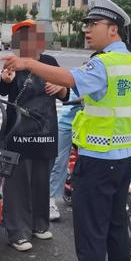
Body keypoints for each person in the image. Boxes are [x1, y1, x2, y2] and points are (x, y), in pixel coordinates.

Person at [2, 0, 131, 261]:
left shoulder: (103, 63)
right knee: (115, 227)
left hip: (97, 158)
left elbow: (70, 80)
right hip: (124, 156)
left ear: (113, 29)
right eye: (86, 25)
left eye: (93, 25)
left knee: (91, 231)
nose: (87, 30)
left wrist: (28, 62)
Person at [0, 20, 68, 252]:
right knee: (17, 183)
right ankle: (17, 231)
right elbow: (4, 88)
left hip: (45, 130)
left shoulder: (49, 62)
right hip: (18, 130)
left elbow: (65, 91)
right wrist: (6, 79)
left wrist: (61, 89)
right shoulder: (13, 61)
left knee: (41, 180)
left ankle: (39, 224)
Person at [48, 88, 81, 221]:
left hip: (90, 126)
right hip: (68, 124)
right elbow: (67, 96)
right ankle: (50, 202)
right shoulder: (81, 76)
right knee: (59, 162)